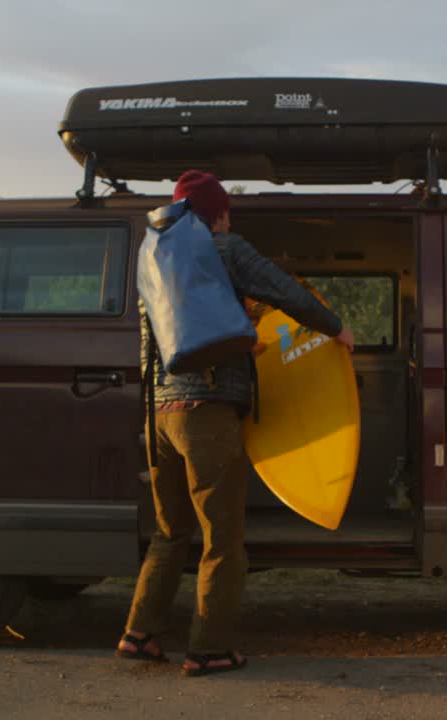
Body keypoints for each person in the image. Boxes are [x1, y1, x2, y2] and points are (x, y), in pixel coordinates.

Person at [117, 170, 354, 676]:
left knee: (168, 532)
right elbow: (284, 290)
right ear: (219, 213)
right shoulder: (224, 247)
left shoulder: (153, 262)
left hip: (160, 414)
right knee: (222, 539)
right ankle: (209, 649)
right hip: (207, 413)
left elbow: (152, 345)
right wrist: (338, 328)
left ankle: (139, 634)